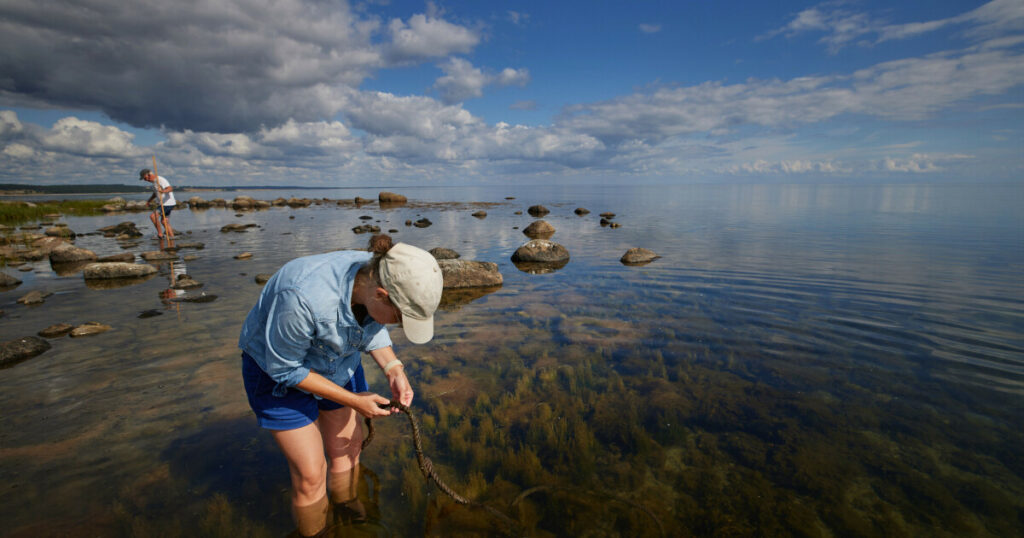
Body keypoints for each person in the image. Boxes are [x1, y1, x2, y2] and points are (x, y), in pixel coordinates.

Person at [238, 234, 443, 537]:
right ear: (382, 294)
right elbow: (285, 369)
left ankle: (346, 507)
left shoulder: (372, 275)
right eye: (400, 318)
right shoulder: (302, 297)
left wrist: (393, 368)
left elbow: (372, 326)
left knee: (347, 449)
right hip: (276, 371)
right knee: (310, 475)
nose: (397, 325)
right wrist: (355, 401)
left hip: (336, 362)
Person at [139, 168, 176, 238]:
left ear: (149, 175)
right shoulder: (154, 183)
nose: (145, 180)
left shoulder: (160, 180)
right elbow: (155, 193)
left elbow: (170, 188)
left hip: (167, 203)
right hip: (164, 204)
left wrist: (163, 191)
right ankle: (172, 238)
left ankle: (160, 234)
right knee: (164, 222)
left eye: (145, 178)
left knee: (153, 216)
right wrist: (149, 201)